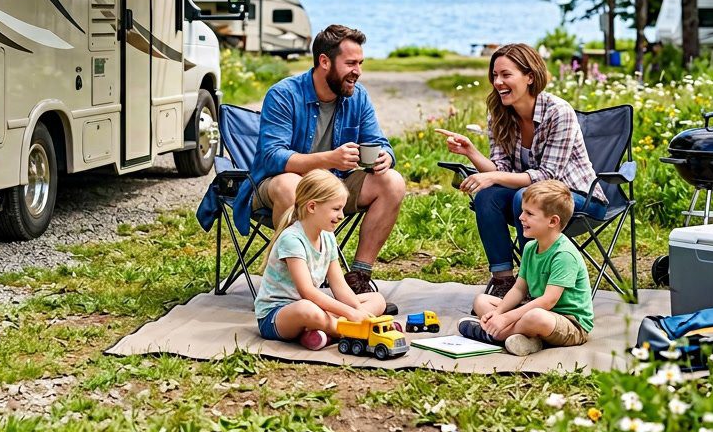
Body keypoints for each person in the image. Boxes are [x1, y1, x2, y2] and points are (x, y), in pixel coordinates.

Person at [436, 43, 605, 298]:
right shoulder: (500, 114)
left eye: (506, 75)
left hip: (580, 198)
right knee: (487, 196)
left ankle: (533, 284)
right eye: (494, 75)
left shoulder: (558, 112)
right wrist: (471, 151)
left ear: (530, 77)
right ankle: (504, 282)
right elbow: (501, 169)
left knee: (523, 196)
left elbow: (548, 176)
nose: (498, 82)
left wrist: (492, 176)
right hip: (528, 199)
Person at [246, 24, 405, 296]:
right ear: (324, 61)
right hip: (276, 185)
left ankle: (358, 277)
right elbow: (272, 157)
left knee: (392, 182)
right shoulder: (284, 94)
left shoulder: (358, 96)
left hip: (336, 185)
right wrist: (328, 159)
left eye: (361, 63)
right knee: (291, 185)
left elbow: (381, 143)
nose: (358, 71)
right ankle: (290, 289)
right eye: (351, 63)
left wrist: (384, 158)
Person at [457, 180, 594, 356]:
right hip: (537, 311)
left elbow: (547, 302)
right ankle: (526, 339)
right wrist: (498, 314)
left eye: (529, 213)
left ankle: (494, 334)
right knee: (482, 301)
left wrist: (505, 319)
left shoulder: (564, 254)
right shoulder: (530, 248)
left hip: (570, 324)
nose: (521, 217)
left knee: (535, 316)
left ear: (552, 221)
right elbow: (519, 289)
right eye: (523, 211)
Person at [254, 170, 388, 349]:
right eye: (335, 209)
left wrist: (358, 311)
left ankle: (320, 332)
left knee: (377, 299)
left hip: (314, 308)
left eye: (342, 208)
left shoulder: (327, 236)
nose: (341, 215)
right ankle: (355, 331)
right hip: (277, 316)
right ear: (312, 207)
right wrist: (349, 313)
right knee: (307, 309)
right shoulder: (292, 239)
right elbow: (307, 292)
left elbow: (340, 287)